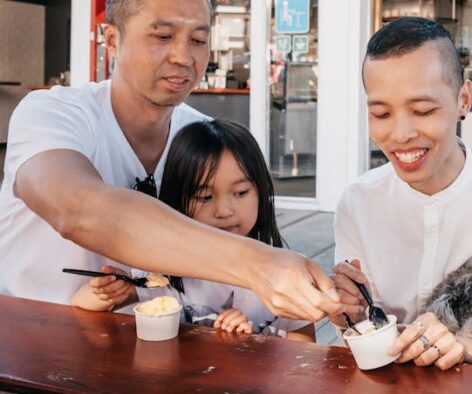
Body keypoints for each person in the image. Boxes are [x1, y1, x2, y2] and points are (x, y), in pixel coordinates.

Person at [0, 0, 341, 322]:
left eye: (198, 39)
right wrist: (258, 265)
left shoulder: (198, 136)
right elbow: (76, 209)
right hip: (27, 339)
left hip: (151, 348)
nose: (183, 56)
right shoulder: (52, 113)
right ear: (113, 40)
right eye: (162, 36)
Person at [330, 17, 472, 371]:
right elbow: (357, 330)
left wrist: (463, 347)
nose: (401, 134)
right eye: (381, 113)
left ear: (463, 100)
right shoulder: (357, 204)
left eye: (423, 110)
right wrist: (350, 314)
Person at [70, 120, 315, 342]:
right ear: (178, 200)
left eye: (240, 193)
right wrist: (107, 292)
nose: (224, 210)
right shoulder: (165, 269)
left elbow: (305, 343)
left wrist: (255, 343)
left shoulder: (283, 272)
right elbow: (80, 304)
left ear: (261, 191)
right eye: (205, 196)